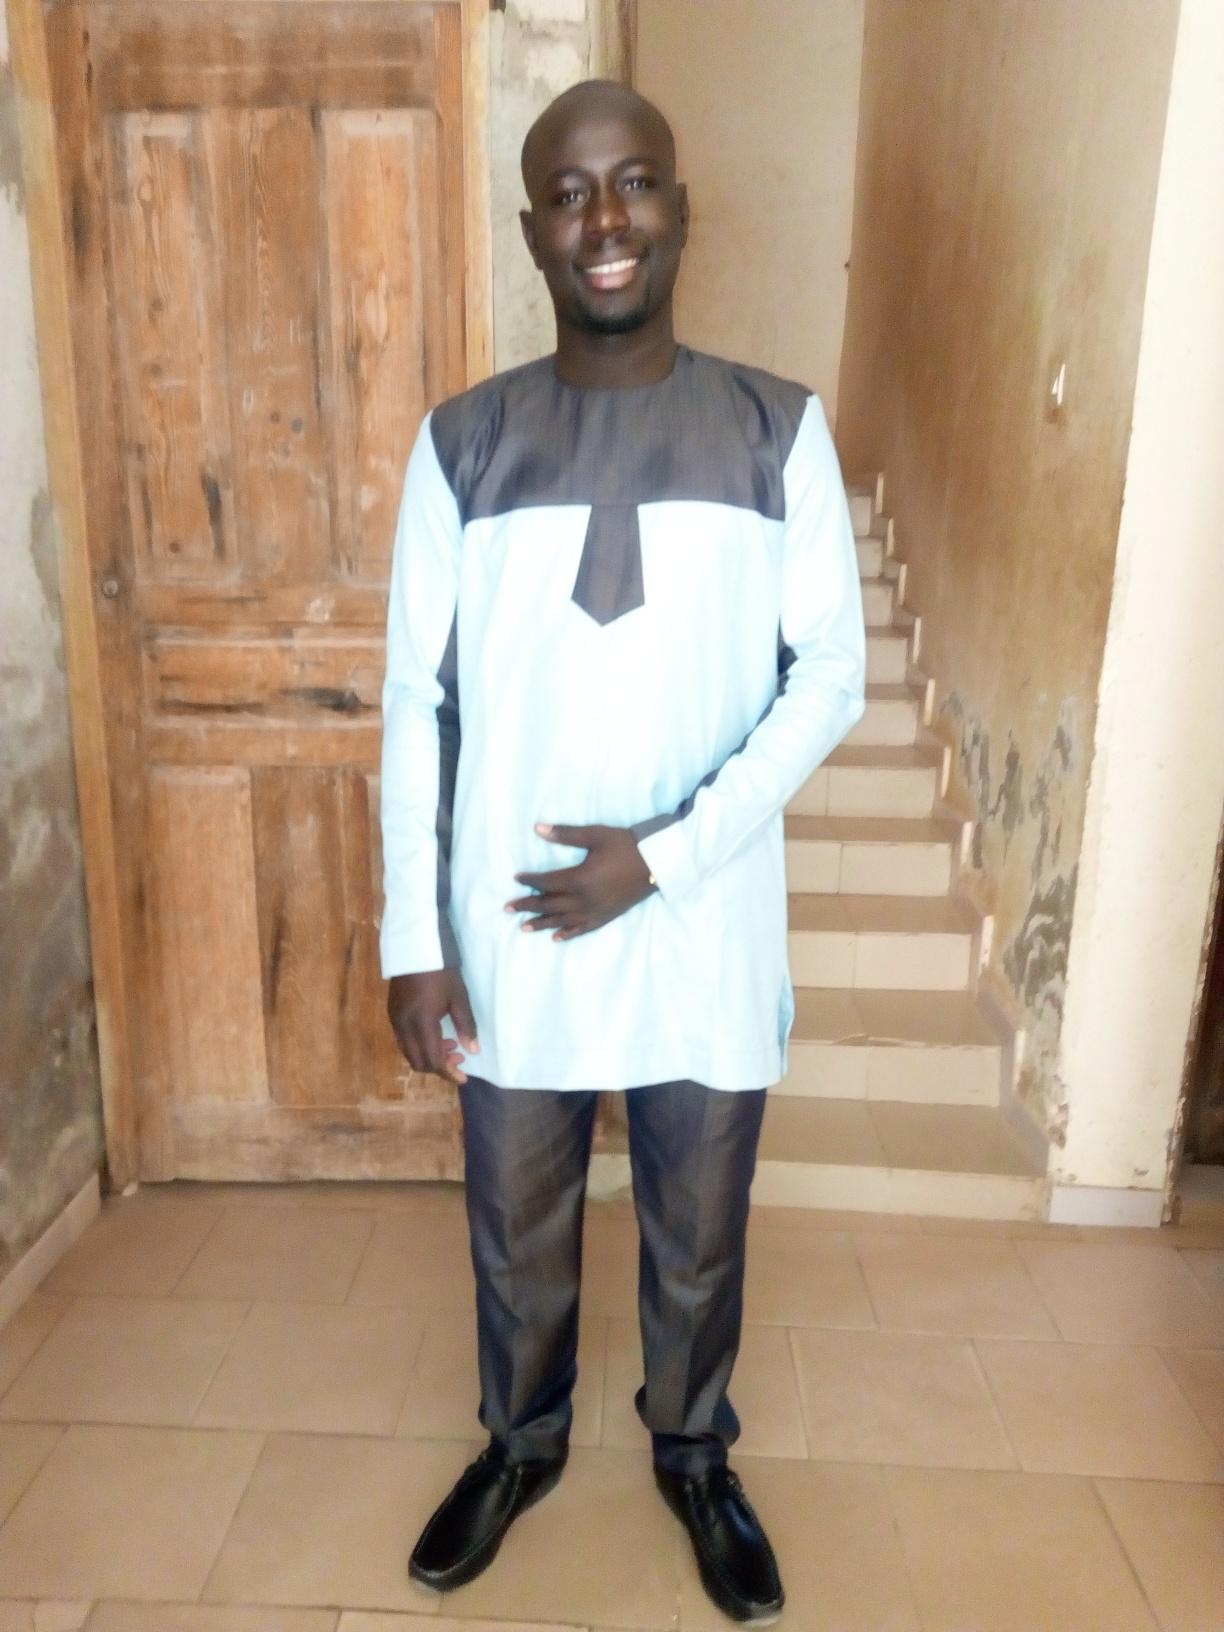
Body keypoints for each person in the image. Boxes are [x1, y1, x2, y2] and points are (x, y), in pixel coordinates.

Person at [381, 78, 865, 1626]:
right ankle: (519, 1445)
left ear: (679, 207)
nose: (607, 218)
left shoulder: (779, 432)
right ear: (534, 230)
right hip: (515, 925)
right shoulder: (462, 446)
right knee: (516, 1222)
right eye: (572, 191)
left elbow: (830, 680)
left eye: (635, 180)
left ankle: (694, 1458)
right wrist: (413, 938)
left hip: (700, 921)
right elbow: (417, 703)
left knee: (699, 1223)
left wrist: (659, 857)